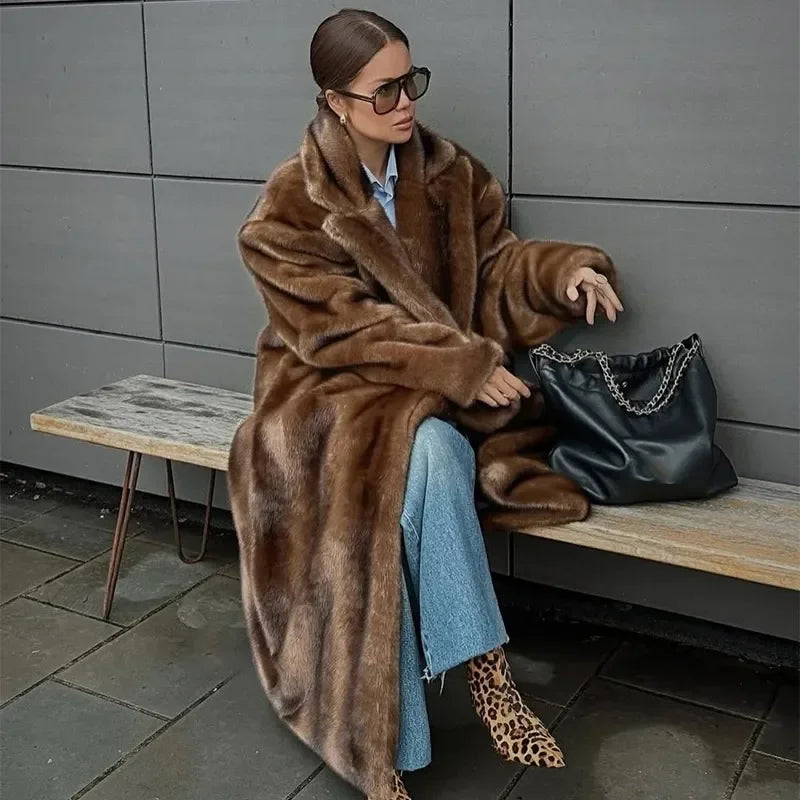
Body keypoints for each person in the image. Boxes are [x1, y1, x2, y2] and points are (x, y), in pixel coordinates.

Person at [227, 9, 624, 800]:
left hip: (424, 399)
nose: (406, 103)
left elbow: (500, 269)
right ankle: (485, 680)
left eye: (412, 81)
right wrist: (459, 366)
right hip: (323, 401)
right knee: (424, 459)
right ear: (335, 101)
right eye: (384, 92)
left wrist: (563, 275)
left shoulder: (449, 175)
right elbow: (336, 328)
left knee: (429, 459)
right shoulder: (289, 207)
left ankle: (401, 749)